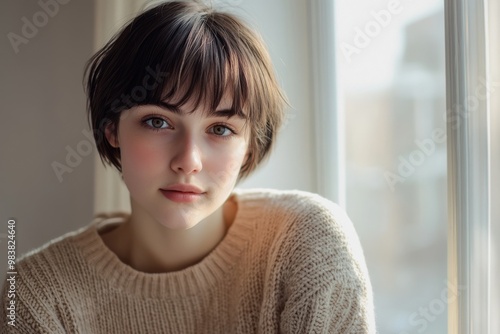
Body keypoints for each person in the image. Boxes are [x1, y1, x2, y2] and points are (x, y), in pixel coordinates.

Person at [1, 1, 375, 332]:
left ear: (249, 148)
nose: (188, 161)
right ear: (112, 128)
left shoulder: (306, 243)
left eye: (221, 129)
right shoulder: (36, 293)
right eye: (158, 122)